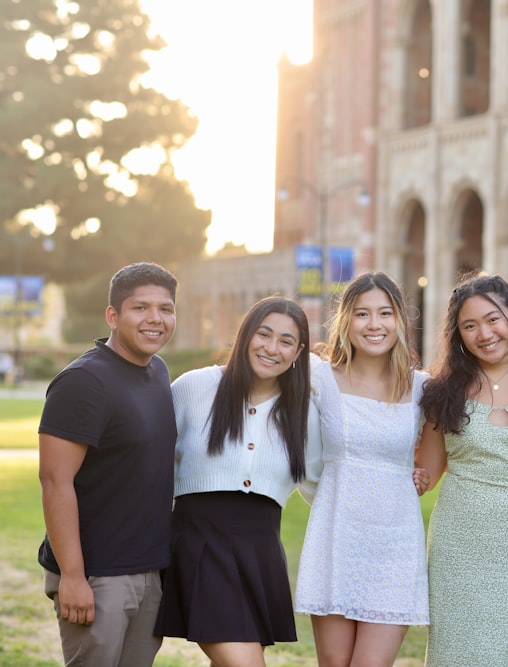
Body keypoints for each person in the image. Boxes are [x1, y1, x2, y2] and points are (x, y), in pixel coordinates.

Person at [416, 273, 508, 667]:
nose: (484, 333)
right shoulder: (442, 392)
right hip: (459, 546)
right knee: (458, 653)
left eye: (492, 319)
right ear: (459, 335)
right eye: (470, 325)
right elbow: (427, 472)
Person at [155, 296, 313, 667]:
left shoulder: (304, 411)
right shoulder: (194, 387)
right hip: (200, 546)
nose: (271, 348)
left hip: (259, 554)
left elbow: (327, 480)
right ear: (245, 335)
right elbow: (147, 461)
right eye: (264, 334)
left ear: (299, 352)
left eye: (286, 341)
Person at [38, 262, 178, 666]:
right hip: (97, 576)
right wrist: (74, 577)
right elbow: (54, 482)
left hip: (149, 571)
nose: (155, 319)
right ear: (113, 316)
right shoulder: (83, 382)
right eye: (141, 308)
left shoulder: (158, 371)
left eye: (165, 309)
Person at [294, 272, 429, 667]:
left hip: (394, 541)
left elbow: (440, 451)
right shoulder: (319, 378)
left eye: (385, 313)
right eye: (362, 314)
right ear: (345, 322)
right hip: (336, 533)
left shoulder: (421, 388)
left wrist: (422, 474)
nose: (374, 324)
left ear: (400, 321)